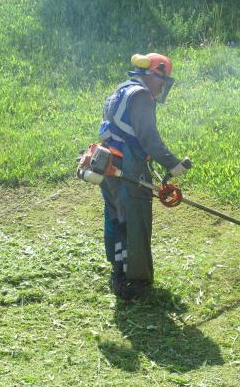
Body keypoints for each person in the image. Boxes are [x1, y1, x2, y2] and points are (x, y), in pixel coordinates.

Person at [98, 52, 190, 300]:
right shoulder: (141, 96)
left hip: (108, 162)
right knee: (136, 220)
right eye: (163, 80)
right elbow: (148, 138)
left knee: (117, 218)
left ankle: (118, 272)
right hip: (127, 165)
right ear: (152, 75)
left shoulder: (122, 89)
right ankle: (136, 282)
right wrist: (173, 165)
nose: (163, 86)